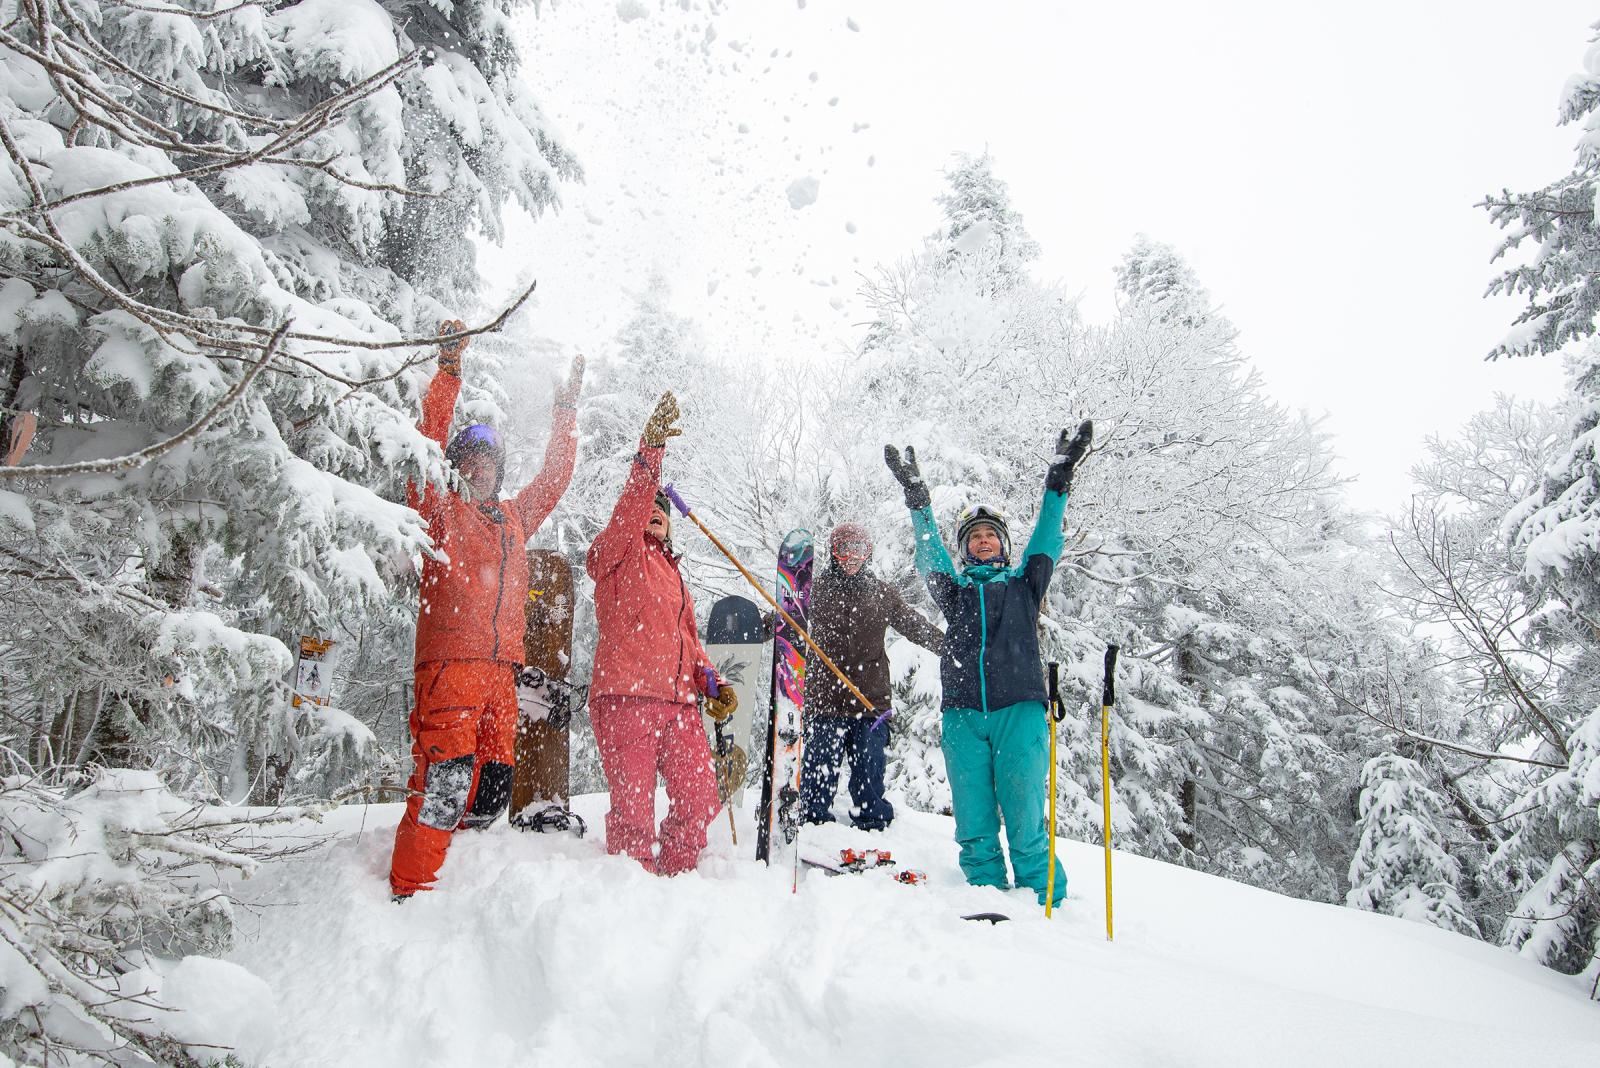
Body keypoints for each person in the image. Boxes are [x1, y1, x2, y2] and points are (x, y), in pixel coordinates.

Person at [389, 321, 583, 900]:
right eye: (469, 461)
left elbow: (555, 478)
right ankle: (409, 890)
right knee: (444, 785)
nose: (480, 469)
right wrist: (448, 372)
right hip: (450, 667)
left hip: (500, 675)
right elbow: (424, 441)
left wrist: (566, 412)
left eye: (489, 462)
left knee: (492, 790)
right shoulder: (439, 510)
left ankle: (458, 891)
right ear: (454, 468)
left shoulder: (514, 520)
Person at [883, 421, 1092, 907]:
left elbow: (1046, 538)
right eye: (973, 536)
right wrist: (918, 499)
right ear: (965, 548)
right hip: (962, 716)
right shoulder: (954, 595)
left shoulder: (1024, 586)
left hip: (1018, 711)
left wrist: (1058, 481)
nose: (981, 541)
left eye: (989, 536)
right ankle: (985, 899)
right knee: (974, 824)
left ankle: (1047, 908)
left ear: (1003, 546)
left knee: (1025, 821)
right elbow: (927, 555)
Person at [587, 391, 738, 876]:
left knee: (698, 803)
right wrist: (650, 453)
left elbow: (688, 642)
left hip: (679, 705)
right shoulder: (616, 553)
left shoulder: (674, 576)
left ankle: (678, 887)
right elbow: (633, 503)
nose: (654, 511)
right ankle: (631, 906)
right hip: (627, 699)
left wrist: (710, 680)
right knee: (633, 816)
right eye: (646, 508)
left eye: (662, 509)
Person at [799, 522, 943, 831]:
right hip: (826, 701)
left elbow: (914, 625)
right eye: (843, 549)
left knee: (869, 775)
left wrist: (951, 647)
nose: (851, 556)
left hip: (870, 703)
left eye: (859, 549)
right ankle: (813, 824)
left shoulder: (881, 594)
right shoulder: (816, 591)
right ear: (833, 553)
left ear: (869, 553)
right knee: (818, 775)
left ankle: (874, 825)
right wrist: (759, 625)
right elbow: (788, 617)